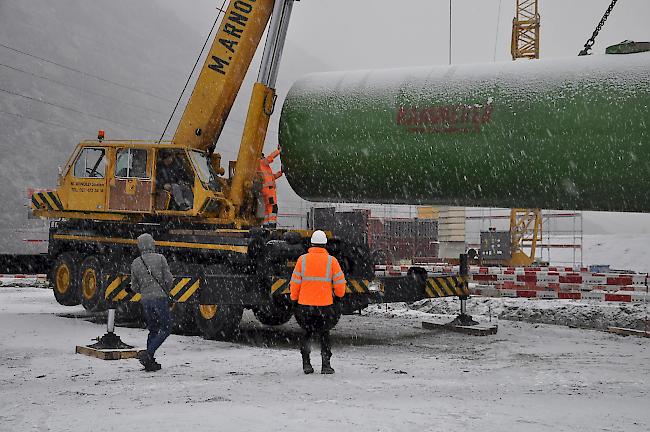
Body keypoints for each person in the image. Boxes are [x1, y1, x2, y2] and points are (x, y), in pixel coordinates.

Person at [290, 230, 346, 374]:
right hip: (325, 306)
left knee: (307, 333)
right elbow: (340, 284)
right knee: (324, 334)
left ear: (312, 243)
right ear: (325, 245)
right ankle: (326, 365)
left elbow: (295, 282)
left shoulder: (302, 260)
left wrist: (294, 299)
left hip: (305, 305)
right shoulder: (331, 261)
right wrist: (339, 296)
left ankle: (306, 364)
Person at [130, 233, 173, 372]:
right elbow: (169, 279)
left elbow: (135, 287)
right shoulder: (160, 259)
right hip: (160, 298)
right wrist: (166, 290)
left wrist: (145, 289)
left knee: (153, 329)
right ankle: (148, 353)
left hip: (146, 301)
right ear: (152, 244)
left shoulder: (136, 262)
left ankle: (150, 361)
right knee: (166, 328)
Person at [258, 146, 283, 228]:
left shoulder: (263, 168)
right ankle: (272, 226)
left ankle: (266, 226)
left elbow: (272, 177)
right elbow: (270, 158)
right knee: (273, 207)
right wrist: (278, 151)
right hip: (269, 190)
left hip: (265, 190)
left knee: (267, 209)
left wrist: (280, 173)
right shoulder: (261, 163)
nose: (264, 157)